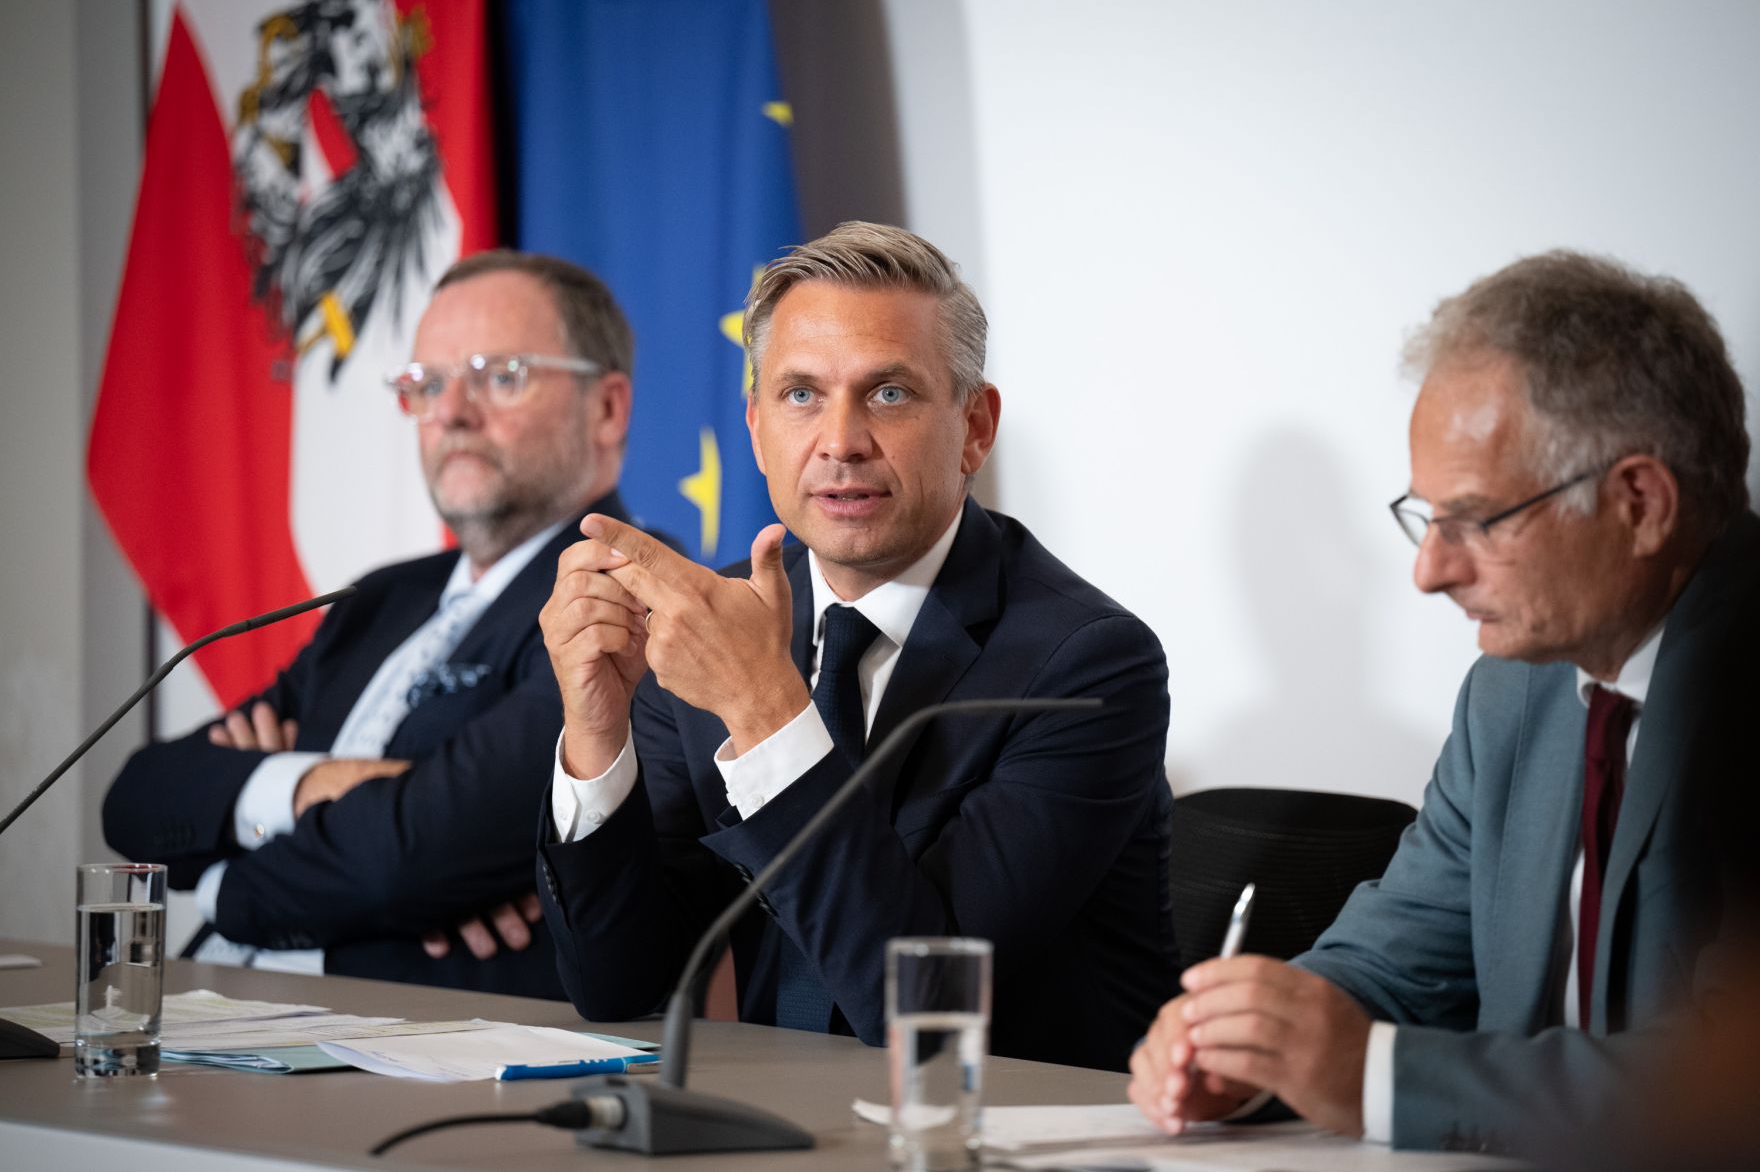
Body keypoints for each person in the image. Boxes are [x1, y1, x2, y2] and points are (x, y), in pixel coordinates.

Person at [1129, 251, 1760, 1152]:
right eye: (1427, 518)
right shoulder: (1514, 687)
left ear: (1639, 501)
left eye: (1477, 520)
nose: (1430, 571)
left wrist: (1373, 1077)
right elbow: (1400, 954)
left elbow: (1729, 1082)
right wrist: (1261, 1042)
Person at [535, 221, 1176, 1071]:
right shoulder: (716, 617)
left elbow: (920, 1007)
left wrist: (765, 708)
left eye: (888, 394)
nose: (840, 441)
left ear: (975, 427)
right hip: (787, 1130)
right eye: (801, 394)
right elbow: (620, 986)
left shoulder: (1090, 664)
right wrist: (595, 735)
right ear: (757, 430)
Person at [103, 250, 668, 997]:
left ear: (608, 408)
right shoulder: (381, 600)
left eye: (500, 375)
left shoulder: (624, 597)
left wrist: (220, 878)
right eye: (426, 383)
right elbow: (139, 798)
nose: (452, 411)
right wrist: (314, 788)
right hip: (225, 1016)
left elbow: (411, 855)